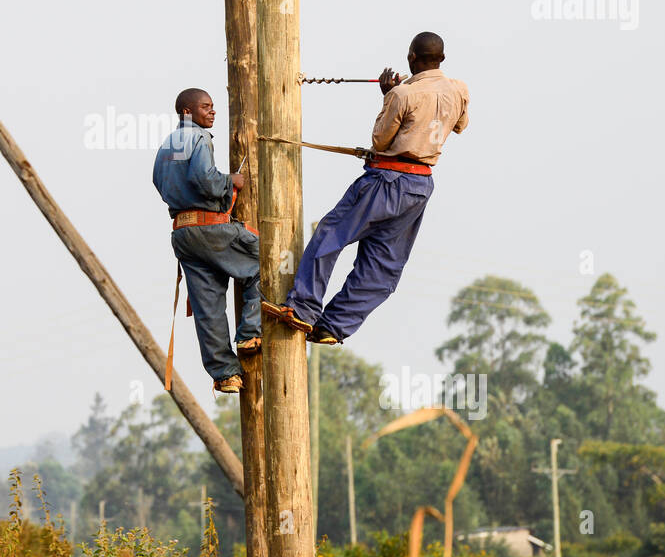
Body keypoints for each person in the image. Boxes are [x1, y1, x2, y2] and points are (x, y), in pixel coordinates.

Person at [266, 32, 469, 344]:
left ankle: (303, 308)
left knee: (330, 235)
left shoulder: (402, 95)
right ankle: (333, 326)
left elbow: (380, 140)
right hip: (420, 186)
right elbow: (460, 125)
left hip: (386, 179)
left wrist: (390, 94)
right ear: (441, 58)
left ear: (411, 57)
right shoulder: (459, 89)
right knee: (383, 263)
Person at [152, 88, 261, 393]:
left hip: (183, 233)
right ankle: (251, 333)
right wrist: (231, 181)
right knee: (268, 259)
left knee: (208, 305)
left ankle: (226, 374)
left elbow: (159, 184)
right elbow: (204, 179)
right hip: (210, 228)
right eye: (205, 107)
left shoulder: (167, 144)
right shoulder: (198, 137)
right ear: (187, 112)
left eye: (212, 107)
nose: (212, 112)